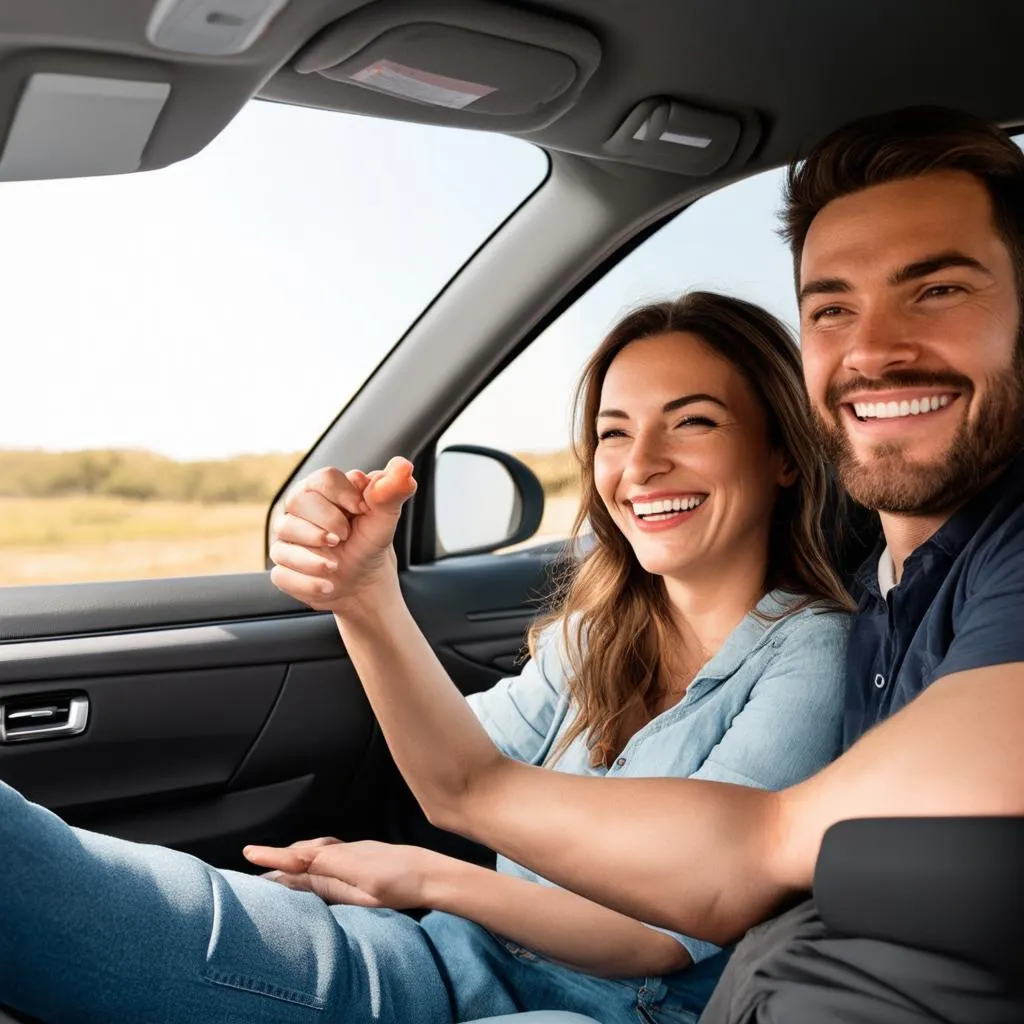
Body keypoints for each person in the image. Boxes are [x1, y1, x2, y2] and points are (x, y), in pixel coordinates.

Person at [267, 106, 1024, 1023]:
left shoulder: (875, 619)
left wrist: (446, 849)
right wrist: (364, 596)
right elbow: (462, 764)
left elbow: (728, 875)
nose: (870, 349)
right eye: (831, 308)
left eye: (938, 289)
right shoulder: (886, 600)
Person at [0, 293, 851, 1024]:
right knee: (56, 880)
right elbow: (454, 765)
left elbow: (662, 935)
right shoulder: (596, 635)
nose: (641, 465)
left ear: (782, 453)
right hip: (451, 961)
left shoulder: (816, 651)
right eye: (614, 432)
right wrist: (364, 594)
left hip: (602, 1008)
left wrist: (427, 877)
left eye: (693, 421)